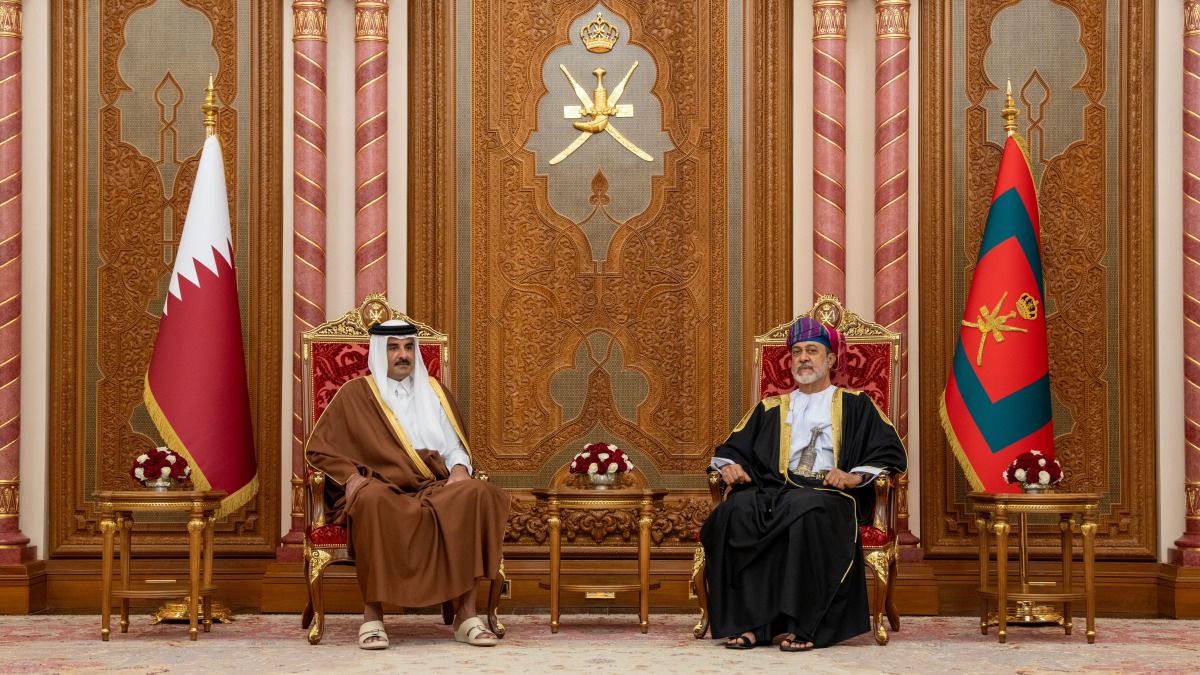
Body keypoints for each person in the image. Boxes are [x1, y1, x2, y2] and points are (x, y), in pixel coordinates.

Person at [699, 317, 907, 652]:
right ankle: (751, 624)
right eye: (797, 352)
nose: (803, 358)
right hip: (774, 489)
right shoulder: (770, 407)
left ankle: (806, 625)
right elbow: (730, 449)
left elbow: (889, 452)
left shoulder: (856, 404)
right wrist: (730, 466)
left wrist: (854, 476)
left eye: (812, 350)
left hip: (829, 493)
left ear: (831, 359)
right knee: (736, 511)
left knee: (807, 510)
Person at [306, 320, 510, 649]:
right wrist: (352, 477)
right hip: (381, 487)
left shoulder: (435, 393)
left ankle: (466, 616)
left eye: (408, 347)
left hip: (432, 486)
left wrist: (460, 469)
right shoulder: (355, 395)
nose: (403, 355)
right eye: (393, 347)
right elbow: (320, 449)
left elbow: (454, 447)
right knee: (371, 500)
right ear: (379, 352)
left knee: (478, 493)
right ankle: (373, 617)